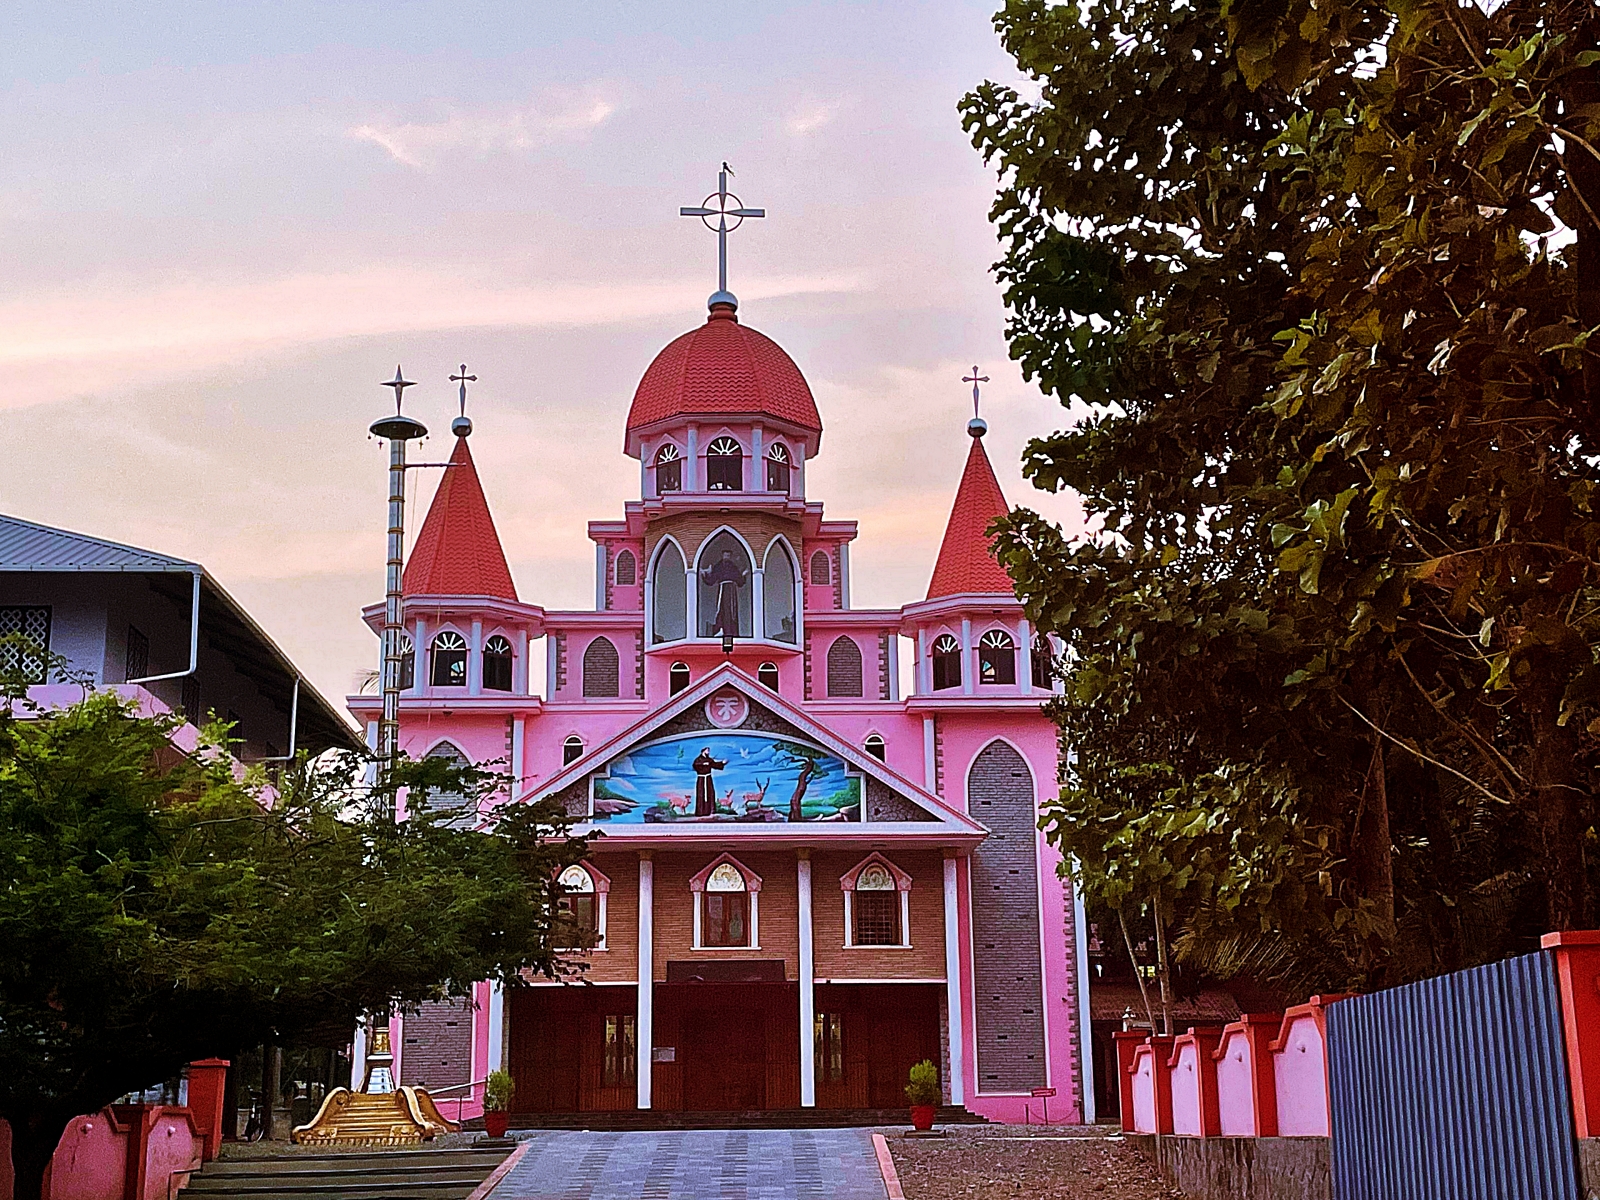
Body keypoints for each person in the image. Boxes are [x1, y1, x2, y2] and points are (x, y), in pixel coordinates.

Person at [699, 549, 747, 638]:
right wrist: (705, 574)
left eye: (728, 556)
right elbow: (711, 580)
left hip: (731, 591)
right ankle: (721, 628)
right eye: (725, 556)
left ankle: (731, 631)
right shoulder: (719, 566)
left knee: (732, 611)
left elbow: (739, 580)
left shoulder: (733, 566)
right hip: (723, 588)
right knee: (722, 609)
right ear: (722, 556)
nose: (727, 558)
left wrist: (743, 575)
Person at [692, 746, 727, 816]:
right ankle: (700, 812)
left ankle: (710, 811)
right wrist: (703, 764)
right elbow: (695, 766)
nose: (708, 752)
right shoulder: (698, 759)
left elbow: (715, 765)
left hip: (708, 779)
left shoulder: (709, 760)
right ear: (703, 751)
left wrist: (722, 763)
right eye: (707, 750)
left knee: (710, 793)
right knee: (701, 795)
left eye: (709, 750)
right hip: (701, 779)